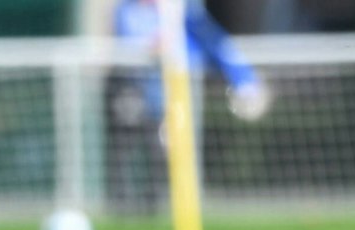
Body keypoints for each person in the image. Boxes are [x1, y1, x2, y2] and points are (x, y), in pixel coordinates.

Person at [107, 0, 270, 213]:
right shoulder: (126, 9)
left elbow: (212, 41)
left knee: (160, 150)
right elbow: (126, 40)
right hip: (133, 91)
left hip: (168, 96)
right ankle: (121, 206)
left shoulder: (182, 10)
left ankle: (155, 205)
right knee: (125, 148)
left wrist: (242, 78)